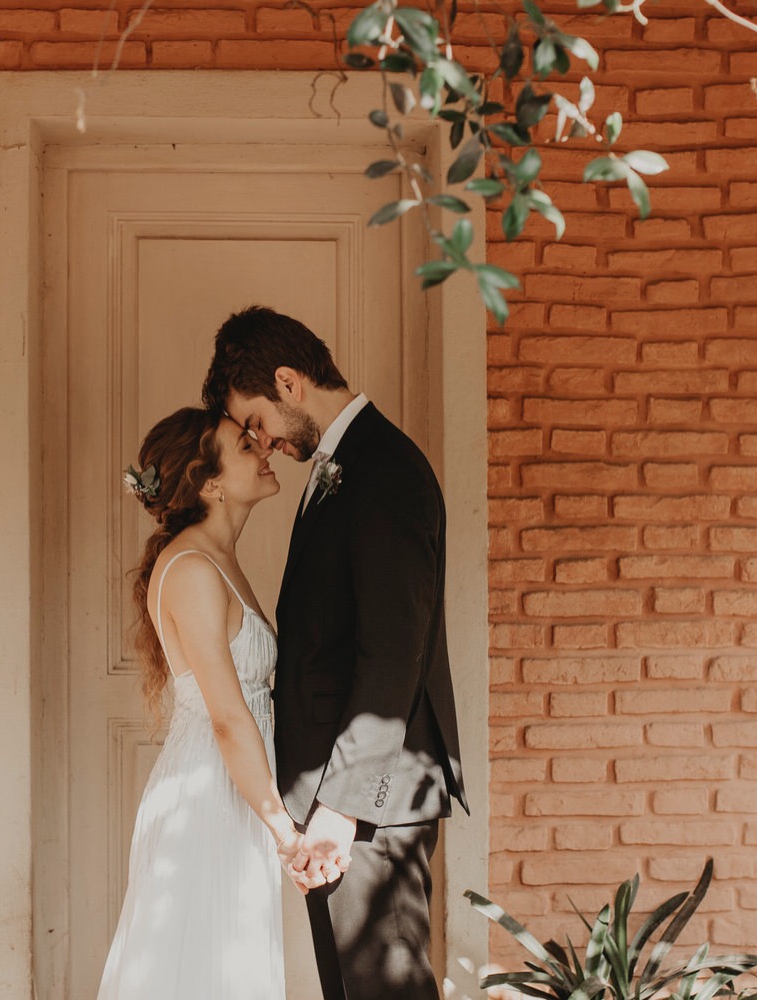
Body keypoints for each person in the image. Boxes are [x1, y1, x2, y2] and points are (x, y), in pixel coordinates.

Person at [203, 306, 467, 1000]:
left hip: (371, 804)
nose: (261, 441)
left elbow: (393, 653)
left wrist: (343, 807)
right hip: (342, 800)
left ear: (289, 383)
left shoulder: (385, 469)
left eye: (257, 420)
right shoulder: (343, 465)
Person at [97, 406, 324, 1000]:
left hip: (235, 788)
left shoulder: (214, 558)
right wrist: (286, 834)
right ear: (210, 484)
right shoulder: (193, 569)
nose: (265, 448)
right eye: (245, 446)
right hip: (208, 795)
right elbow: (226, 718)